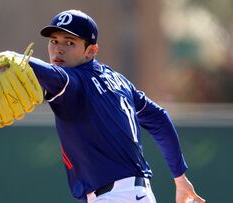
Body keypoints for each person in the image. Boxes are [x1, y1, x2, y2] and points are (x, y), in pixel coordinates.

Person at [15, 9, 205, 203]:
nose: (58, 49)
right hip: (137, 195)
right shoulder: (119, 81)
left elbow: (50, 74)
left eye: (69, 42)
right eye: (54, 41)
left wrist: (14, 58)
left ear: (90, 51)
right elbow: (160, 119)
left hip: (114, 197)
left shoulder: (75, 80)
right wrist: (179, 177)